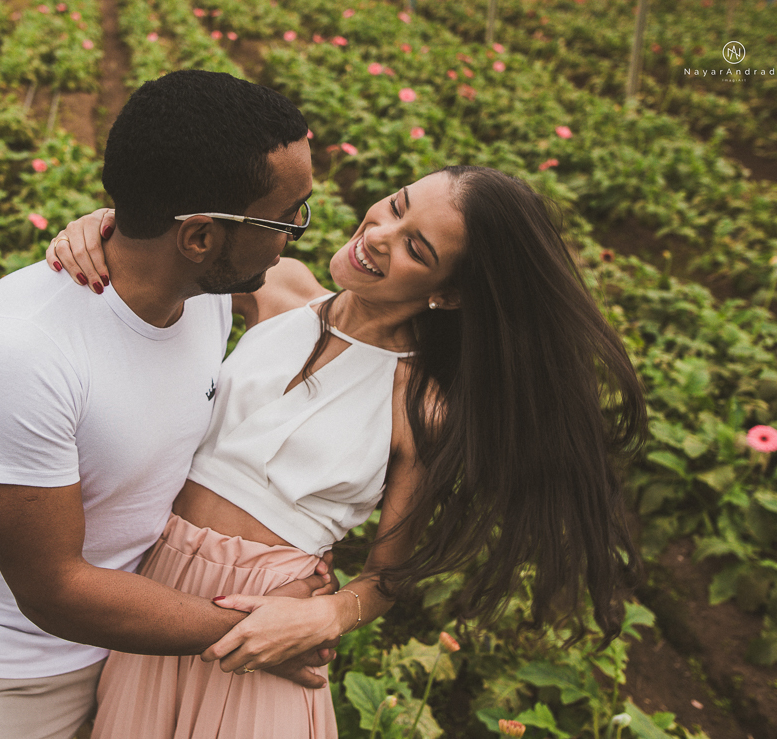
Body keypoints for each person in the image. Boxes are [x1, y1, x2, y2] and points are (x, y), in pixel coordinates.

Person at [46, 164, 648, 738]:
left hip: (274, 614)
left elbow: (389, 575)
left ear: (449, 295)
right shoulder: (279, 288)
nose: (380, 234)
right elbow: (160, 265)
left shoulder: (422, 405)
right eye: (397, 206)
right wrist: (103, 228)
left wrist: (327, 615)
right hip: (155, 592)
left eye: (416, 249)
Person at [0, 70, 336, 739]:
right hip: (10, 676)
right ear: (199, 237)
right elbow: (54, 589)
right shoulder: (20, 352)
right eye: (284, 218)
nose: (290, 237)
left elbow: (334, 312)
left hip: (144, 642)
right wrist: (257, 631)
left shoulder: (204, 288)